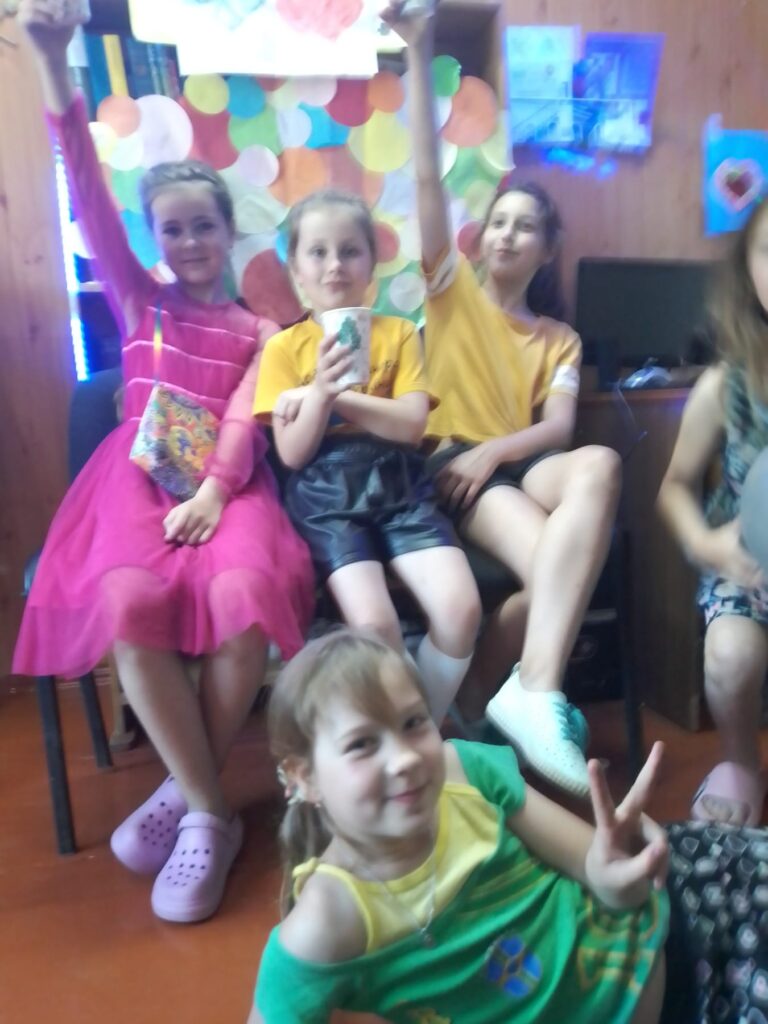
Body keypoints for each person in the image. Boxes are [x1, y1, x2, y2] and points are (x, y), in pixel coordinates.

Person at [13, 0, 315, 922]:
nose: (189, 245)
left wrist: (218, 493)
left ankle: (186, 795)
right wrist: (52, 63)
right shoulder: (139, 302)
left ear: (228, 234)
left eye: (203, 228)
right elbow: (84, 187)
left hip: (230, 488)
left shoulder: (260, 331)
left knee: (245, 602)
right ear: (154, 239)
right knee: (128, 603)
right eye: (173, 230)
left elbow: (244, 419)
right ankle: (212, 813)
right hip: (136, 487)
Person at [380, 1, 623, 798]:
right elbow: (426, 177)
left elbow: (557, 427)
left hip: (513, 459)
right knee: (557, 567)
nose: (509, 234)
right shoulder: (451, 293)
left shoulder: (560, 337)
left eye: (527, 227)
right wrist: (418, 53)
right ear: (480, 240)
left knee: (598, 461)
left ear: (548, 249)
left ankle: (514, 695)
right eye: (499, 222)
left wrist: (497, 451)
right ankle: (510, 700)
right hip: (454, 467)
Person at [250, 629, 669, 1023]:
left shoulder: (465, 770)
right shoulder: (326, 920)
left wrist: (616, 876)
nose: (405, 759)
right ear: (304, 778)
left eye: (413, 723)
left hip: (646, 954)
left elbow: (596, 872)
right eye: (361, 744)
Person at [253, 188, 481, 723]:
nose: (335, 265)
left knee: (461, 610)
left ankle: (421, 728)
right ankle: (414, 734)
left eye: (350, 250)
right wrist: (319, 391)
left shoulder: (398, 334)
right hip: (325, 496)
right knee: (375, 628)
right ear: (296, 270)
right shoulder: (283, 348)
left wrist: (335, 398)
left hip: (401, 485)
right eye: (318, 252)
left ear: (371, 264)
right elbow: (292, 453)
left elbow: (411, 425)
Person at [658, 198, 768, 827]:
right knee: (730, 658)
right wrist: (706, 545)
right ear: (747, 271)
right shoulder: (725, 384)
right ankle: (740, 762)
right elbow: (673, 486)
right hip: (747, 573)